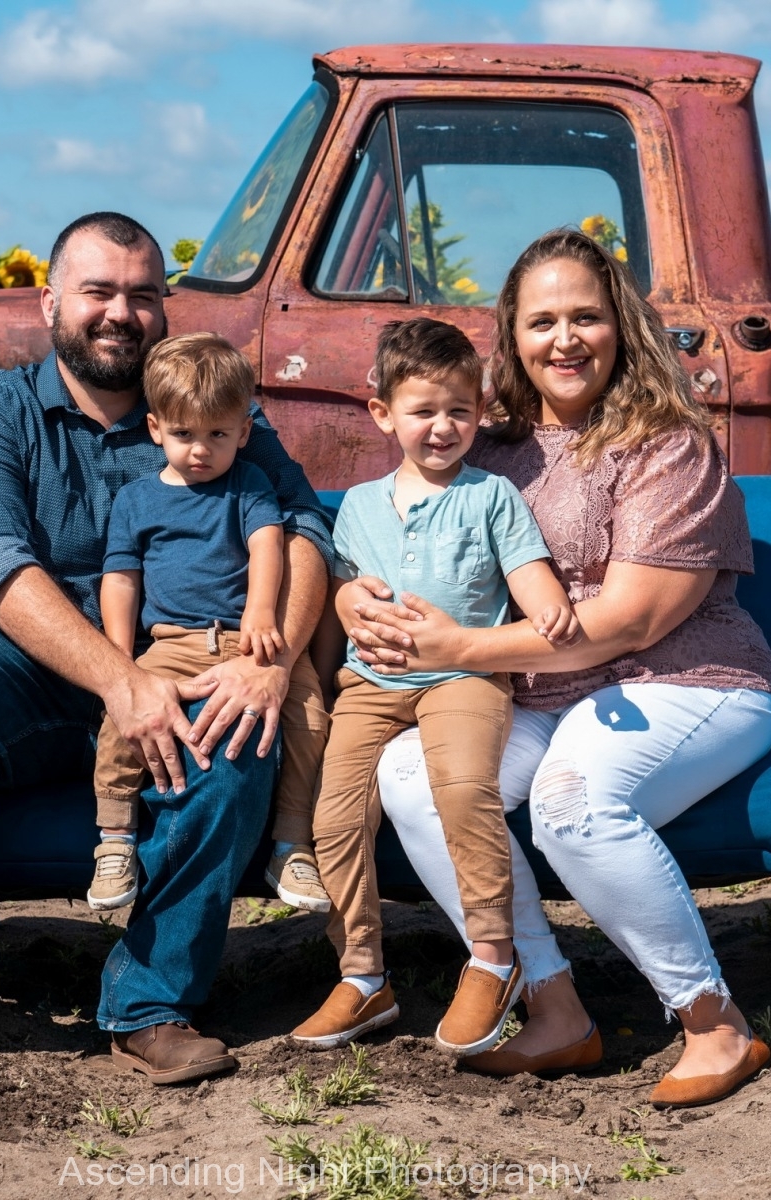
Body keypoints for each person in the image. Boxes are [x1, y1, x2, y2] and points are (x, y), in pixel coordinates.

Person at [0, 213, 332, 1087]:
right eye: (98, 291)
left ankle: (150, 1003)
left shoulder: (213, 408)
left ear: (164, 309)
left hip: (186, 651)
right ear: (51, 301)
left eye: (142, 295)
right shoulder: (0, 407)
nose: (120, 313)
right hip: (23, 666)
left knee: (239, 745)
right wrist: (120, 681)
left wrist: (271, 661)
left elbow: (304, 531)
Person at [343, 229, 771, 1108]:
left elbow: (633, 620)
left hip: (683, 680)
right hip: (543, 690)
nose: (565, 339)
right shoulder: (489, 448)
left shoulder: (668, 445)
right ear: (513, 338)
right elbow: (398, 538)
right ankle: (554, 1008)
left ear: (622, 325)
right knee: (412, 776)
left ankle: (714, 1022)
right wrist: (353, 594)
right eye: (542, 321)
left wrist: (458, 650)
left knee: (571, 802)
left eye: (586, 316)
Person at [292, 319, 576, 1057]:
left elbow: (525, 569)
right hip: (371, 681)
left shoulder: (492, 495)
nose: (443, 427)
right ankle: (362, 975)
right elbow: (344, 587)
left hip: (465, 678)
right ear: (382, 414)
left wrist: (546, 601)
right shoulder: (360, 505)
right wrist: (343, 604)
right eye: (423, 411)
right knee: (336, 815)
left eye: (459, 410)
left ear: (479, 412)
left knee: (462, 788)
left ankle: (494, 957)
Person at [88, 332, 330, 916]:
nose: (201, 450)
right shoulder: (137, 500)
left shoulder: (249, 483)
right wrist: (119, 657)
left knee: (309, 718)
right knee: (122, 718)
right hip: (173, 641)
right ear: (155, 429)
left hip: (251, 641)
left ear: (244, 432)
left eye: (218, 435)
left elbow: (269, 543)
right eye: (184, 434)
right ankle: (115, 837)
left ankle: (292, 844)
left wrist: (260, 611)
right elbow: (121, 578)